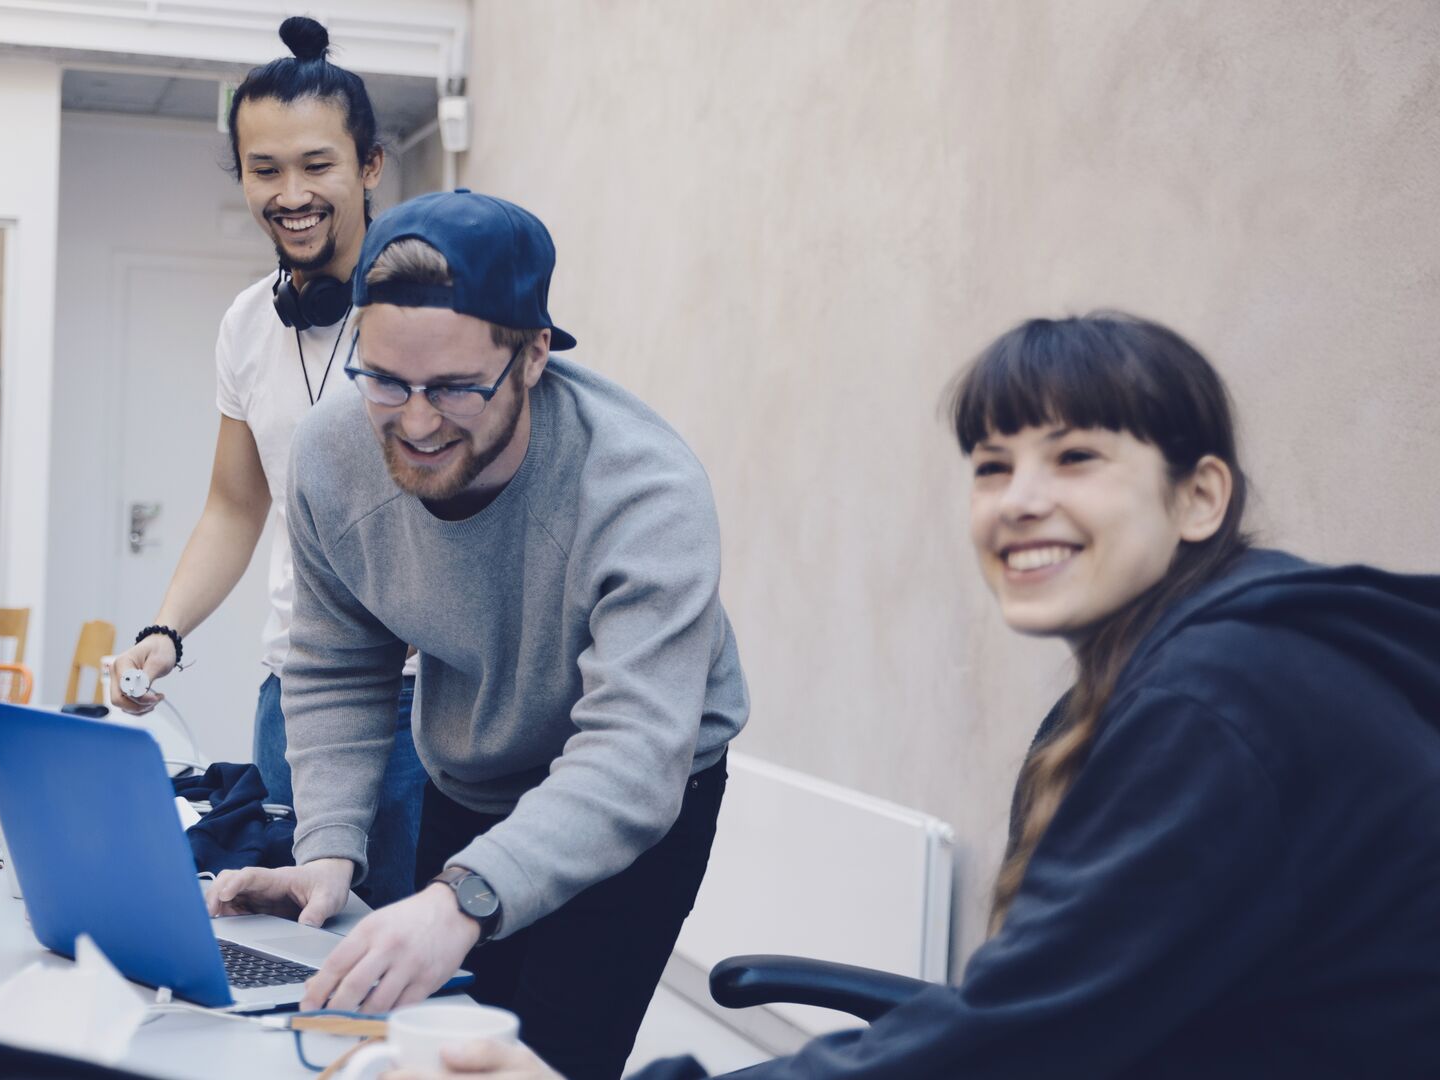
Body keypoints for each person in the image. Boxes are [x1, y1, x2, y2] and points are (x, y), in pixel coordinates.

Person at [412, 312, 1440, 1079]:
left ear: (1200, 496)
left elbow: (1022, 1032)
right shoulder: (1187, 672)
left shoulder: (1222, 702)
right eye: (994, 466)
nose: (1022, 499)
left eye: (1077, 457)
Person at [205, 189, 750, 1080]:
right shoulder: (334, 456)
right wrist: (328, 851)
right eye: (384, 380)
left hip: (640, 787)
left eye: (457, 387)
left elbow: (631, 754)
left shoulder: (645, 492)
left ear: (534, 354)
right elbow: (339, 660)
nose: (416, 423)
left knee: (544, 1060)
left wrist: (460, 897)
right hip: (476, 768)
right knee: (428, 1044)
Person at [106, 16, 427, 908]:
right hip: (291, 686)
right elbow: (236, 506)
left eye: (318, 165)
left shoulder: (429, 310)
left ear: (370, 165)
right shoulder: (247, 323)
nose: (292, 193)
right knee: (282, 945)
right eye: (265, 169)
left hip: (413, 703)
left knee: (386, 961)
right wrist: (166, 631)